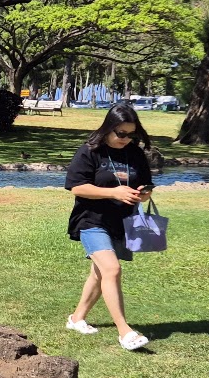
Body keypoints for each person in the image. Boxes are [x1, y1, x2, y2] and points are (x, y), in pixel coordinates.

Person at [64, 102, 155, 351]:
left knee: (100, 273)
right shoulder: (90, 151)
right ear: (108, 128)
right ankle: (125, 332)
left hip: (123, 222)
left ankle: (76, 318)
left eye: (131, 134)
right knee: (112, 270)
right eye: (121, 133)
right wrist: (113, 192)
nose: (125, 139)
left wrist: (142, 194)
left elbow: (146, 185)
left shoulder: (134, 153)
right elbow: (76, 186)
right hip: (91, 220)